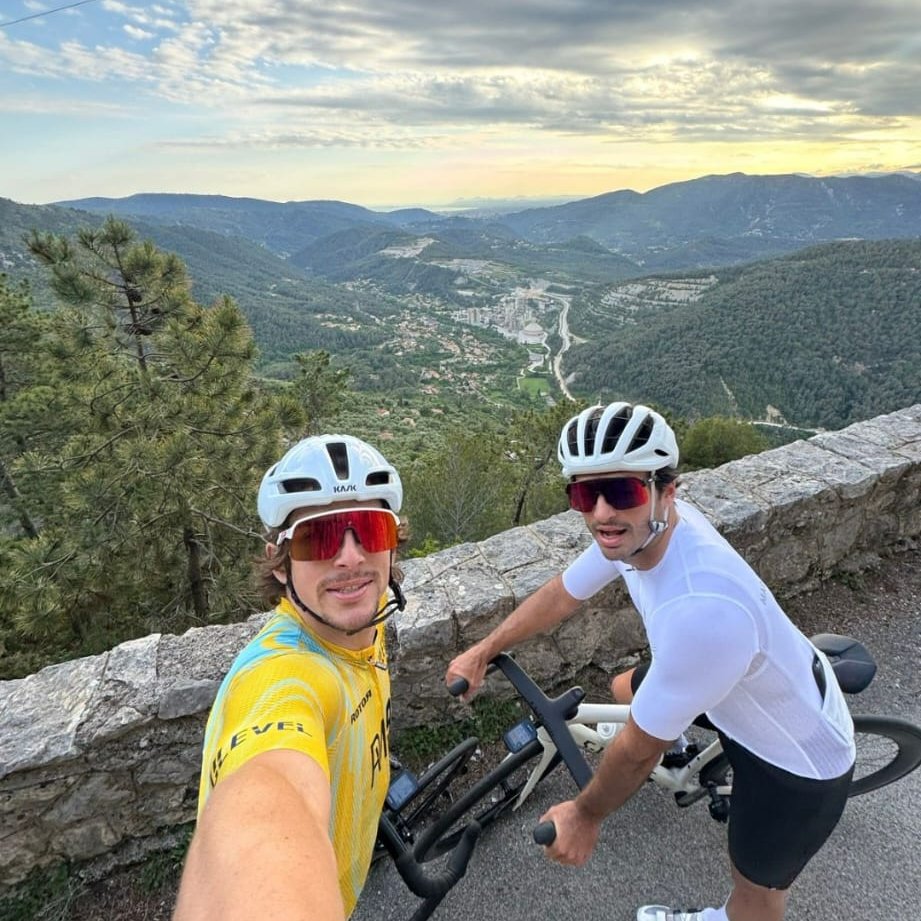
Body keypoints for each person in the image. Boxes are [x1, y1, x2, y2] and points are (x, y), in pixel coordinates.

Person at [445, 402, 856, 921]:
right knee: (626, 687)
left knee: (755, 893)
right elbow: (561, 594)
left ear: (667, 490)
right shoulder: (641, 531)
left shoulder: (700, 610)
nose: (599, 512)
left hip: (795, 762)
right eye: (583, 493)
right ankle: (682, 754)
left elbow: (637, 749)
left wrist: (584, 814)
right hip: (749, 686)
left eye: (621, 491)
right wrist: (484, 649)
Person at [174, 434, 407, 921]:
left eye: (370, 530)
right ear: (280, 565)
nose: (349, 557)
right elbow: (264, 799)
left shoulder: (363, 622)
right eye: (317, 537)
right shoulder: (284, 677)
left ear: (391, 545)